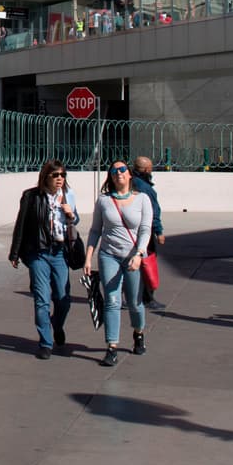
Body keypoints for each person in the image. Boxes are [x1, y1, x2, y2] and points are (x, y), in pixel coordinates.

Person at [83, 161, 153, 367]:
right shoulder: (104, 200)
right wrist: (88, 257)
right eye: (114, 171)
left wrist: (139, 254)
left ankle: (138, 333)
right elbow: (95, 230)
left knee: (134, 303)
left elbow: (145, 230)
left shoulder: (142, 199)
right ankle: (111, 347)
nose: (118, 173)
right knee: (112, 300)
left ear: (130, 174)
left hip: (133, 256)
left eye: (122, 170)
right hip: (109, 255)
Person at [9, 160, 78, 358]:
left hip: (60, 252)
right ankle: (45, 342)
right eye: (55, 175)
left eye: (63, 175)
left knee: (63, 299)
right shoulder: (31, 196)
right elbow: (21, 223)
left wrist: (70, 214)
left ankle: (56, 326)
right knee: (42, 299)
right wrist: (15, 252)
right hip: (38, 252)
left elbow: (75, 220)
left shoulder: (68, 195)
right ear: (46, 176)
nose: (60, 179)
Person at [130, 156, 166, 310]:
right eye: (150, 168)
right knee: (147, 263)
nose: (151, 170)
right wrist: (159, 231)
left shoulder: (130, 183)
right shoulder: (145, 188)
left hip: (131, 230)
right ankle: (147, 297)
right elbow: (153, 212)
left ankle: (133, 294)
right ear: (145, 170)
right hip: (145, 230)